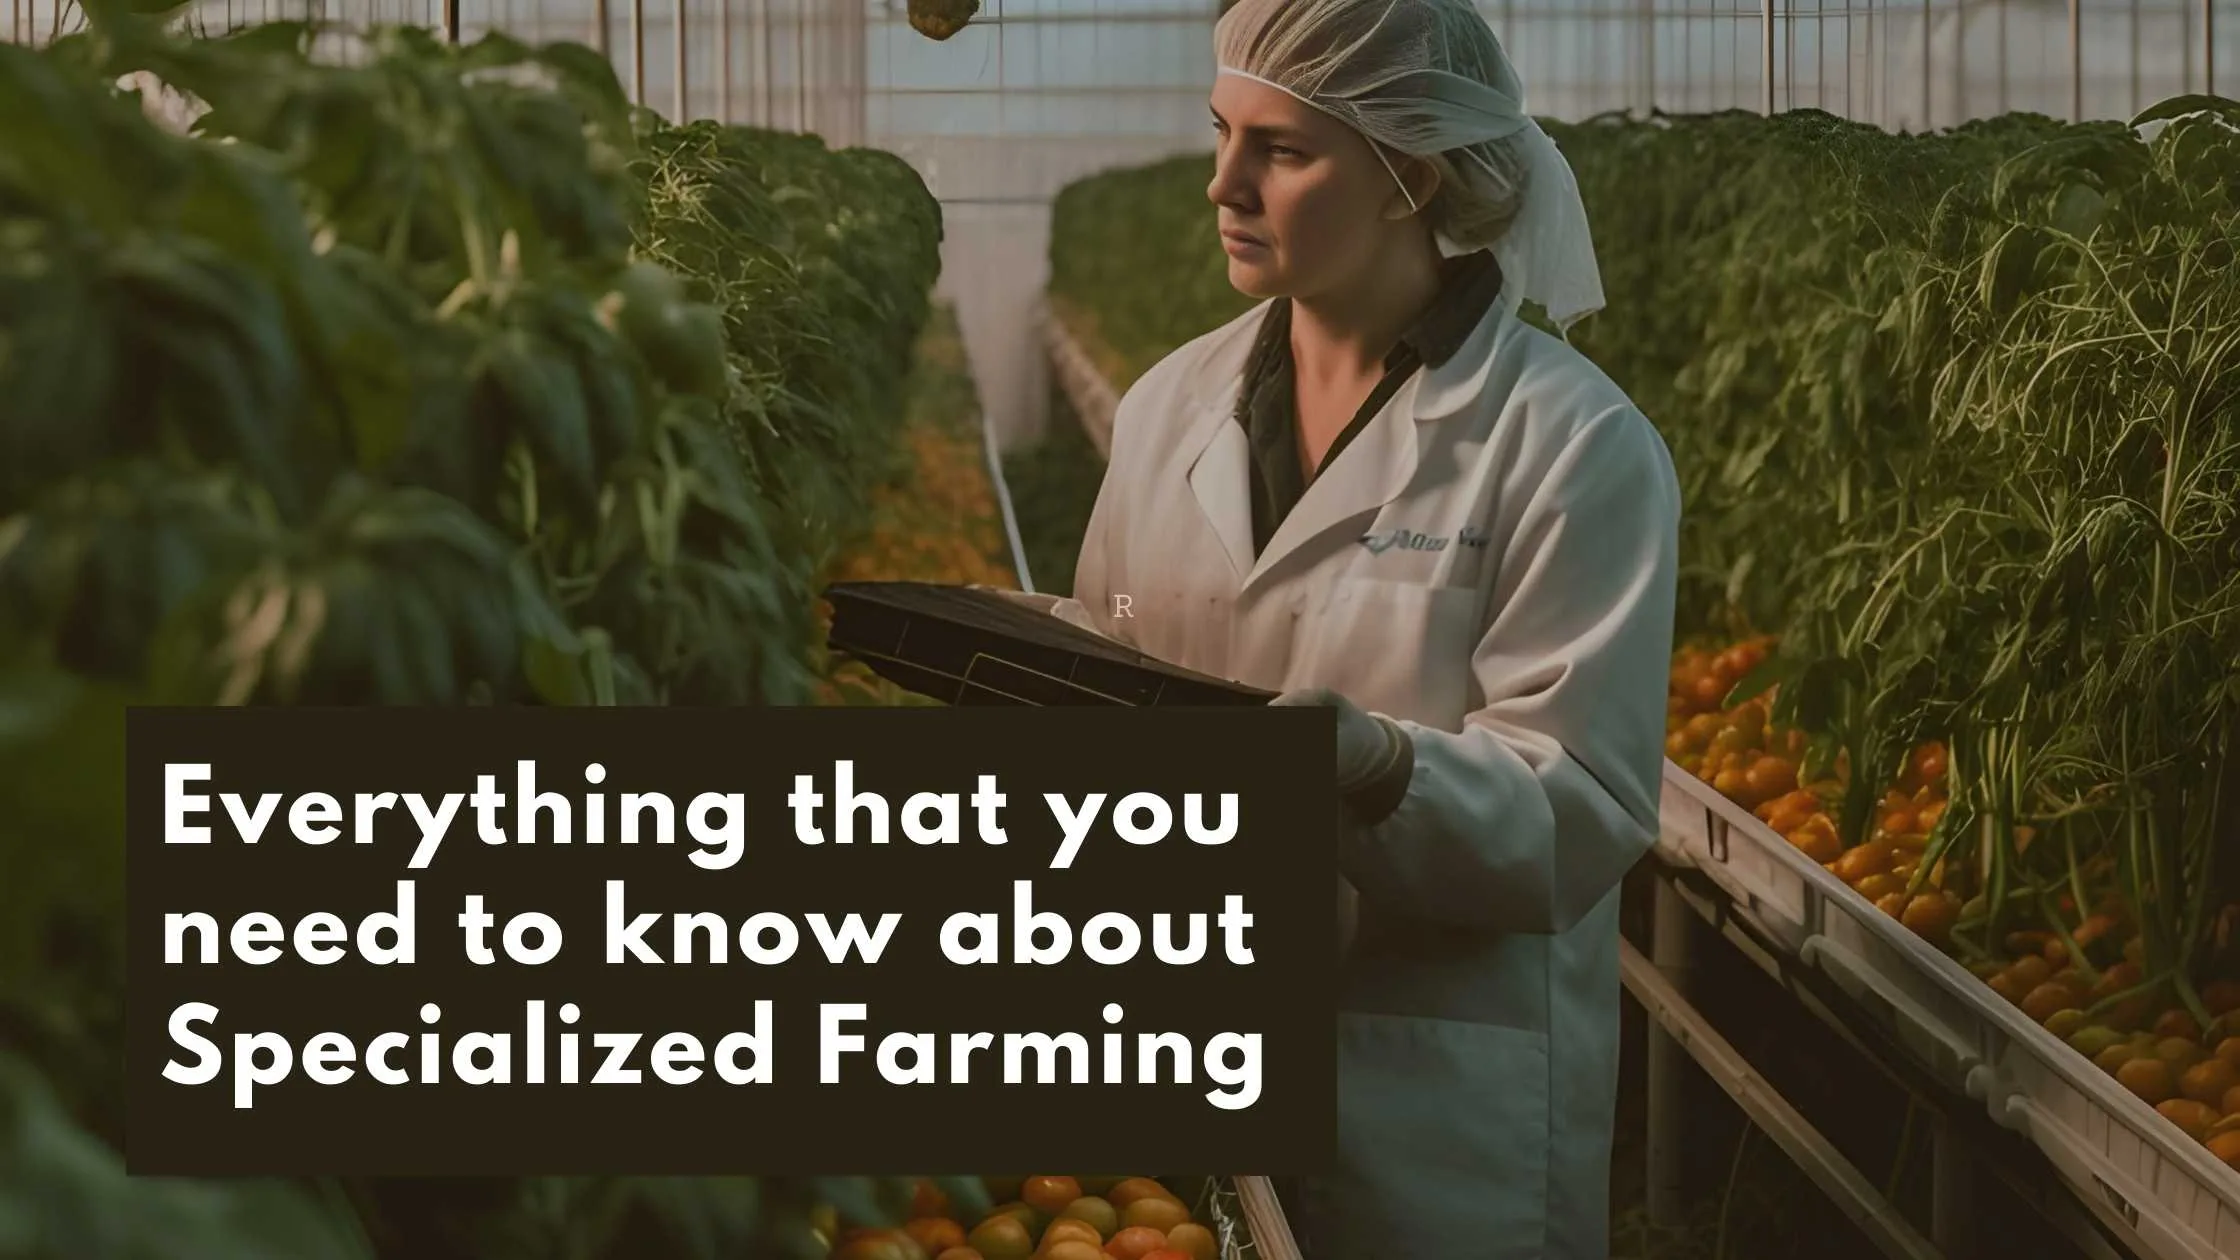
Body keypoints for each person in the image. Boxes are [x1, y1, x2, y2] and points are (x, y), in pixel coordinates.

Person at [1001, 0, 1680, 1254]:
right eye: (1221, 134)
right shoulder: (1170, 407)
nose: (1223, 183)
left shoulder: (1570, 446)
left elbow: (1577, 814)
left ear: (1405, 176)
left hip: (1428, 1115)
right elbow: (1115, 662)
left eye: (1282, 150)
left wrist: (1383, 771)